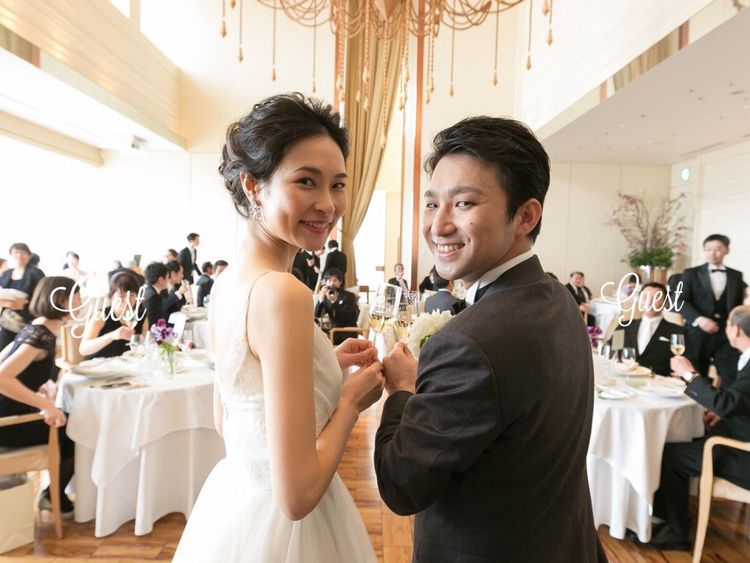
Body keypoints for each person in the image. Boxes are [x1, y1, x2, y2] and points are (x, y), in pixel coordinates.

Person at [374, 116, 605, 562]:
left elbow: (401, 484)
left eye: (463, 203)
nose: (438, 225)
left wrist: (402, 389)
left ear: (525, 216)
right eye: (432, 204)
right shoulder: (557, 297)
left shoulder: (470, 342)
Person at [174, 93, 383, 562]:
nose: (327, 204)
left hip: (236, 507)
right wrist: (350, 402)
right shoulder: (282, 292)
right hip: (291, 533)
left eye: (338, 185)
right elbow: (297, 497)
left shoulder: (228, 283)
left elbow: (230, 416)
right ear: (253, 186)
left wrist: (323, 364)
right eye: (306, 181)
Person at [641, 305, 750, 551]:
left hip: (742, 455)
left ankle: (677, 531)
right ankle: (669, 518)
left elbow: (726, 402)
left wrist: (690, 375)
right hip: (736, 436)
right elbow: (738, 401)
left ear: (735, 330)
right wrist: (721, 413)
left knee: (667, 455)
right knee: (683, 441)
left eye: (728, 324)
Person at [0, 277, 80, 517]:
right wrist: (45, 404)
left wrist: (36, 385)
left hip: (12, 411)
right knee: (76, 429)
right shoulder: (41, 335)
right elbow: (2, 377)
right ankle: (53, 497)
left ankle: (54, 494)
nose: (81, 302)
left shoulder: (36, 327)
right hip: (7, 423)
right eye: (77, 297)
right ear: (61, 300)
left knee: (72, 423)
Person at [677, 234, 747, 389]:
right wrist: (700, 320)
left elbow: (738, 305)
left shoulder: (736, 275)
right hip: (698, 332)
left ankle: (726, 403)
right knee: (696, 373)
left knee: (732, 375)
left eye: (717, 249)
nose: (712, 253)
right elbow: (680, 301)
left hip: (726, 334)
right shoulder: (690, 273)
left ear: (726, 250)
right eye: (708, 249)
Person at [608, 282, 685, 376]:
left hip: (658, 382)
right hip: (625, 378)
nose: (649, 302)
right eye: (645, 297)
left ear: (665, 302)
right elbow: (611, 351)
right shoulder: (624, 326)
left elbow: (685, 363)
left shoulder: (676, 331)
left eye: (656, 298)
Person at [79, 271, 146, 359]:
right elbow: (83, 349)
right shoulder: (101, 315)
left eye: (131, 295)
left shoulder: (141, 316)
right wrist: (112, 336)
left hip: (126, 365)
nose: (127, 300)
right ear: (111, 297)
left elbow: (144, 345)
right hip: (98, 365)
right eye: (122, 296)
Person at [0, 243, 46, 350]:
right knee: (3, 348)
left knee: (24, 349)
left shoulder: (36, 273)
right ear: (11, 255)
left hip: (29, 318)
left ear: (29, 255)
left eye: (23, 252)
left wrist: (25, 302)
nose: (19, 255)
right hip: (8, 320)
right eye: (16, 252)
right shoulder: (6, 273)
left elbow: (43, 294)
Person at [314, 268, 360, 345]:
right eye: (329, 280)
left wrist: (335, 302)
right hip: (334, 331)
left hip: (347, 332)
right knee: (314, 334)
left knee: (321, 339)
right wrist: (321, 298)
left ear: (340, 282)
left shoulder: (349, 296)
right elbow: (317, 315)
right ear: (326, 282)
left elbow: (347, 318)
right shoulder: (327, 296)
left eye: (335, 280)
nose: (332, 283)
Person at [143, 262, 169, 327]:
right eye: (167, 277)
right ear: (160, 279)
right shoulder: (154, 297)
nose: (168, 281)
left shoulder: (146, 290)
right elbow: (152, 322)